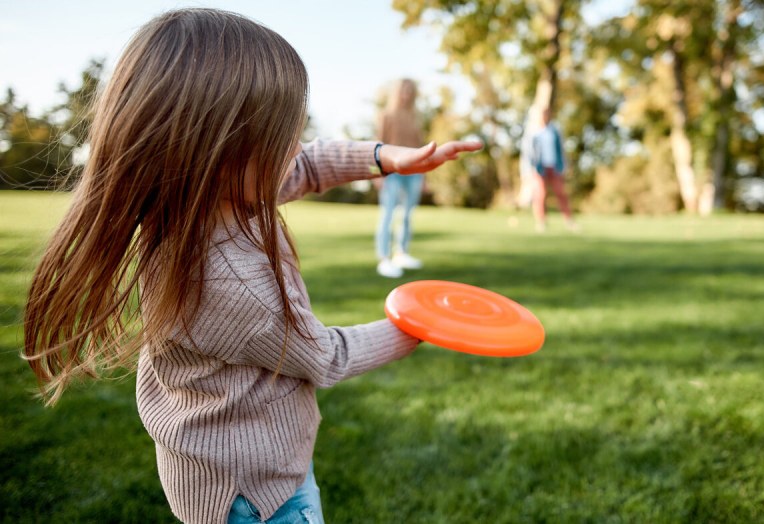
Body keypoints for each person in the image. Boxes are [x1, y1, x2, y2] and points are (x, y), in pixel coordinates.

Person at [21, 9, 481, 524]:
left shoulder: (199, 198)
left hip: (221, 474)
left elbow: (306, 164)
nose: (296, 148)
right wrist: (421, 325)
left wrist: (383, 156)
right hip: (256, 497)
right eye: (281, 137)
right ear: (218, 149)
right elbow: (326, 356)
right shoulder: (228, 281)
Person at [375, 79, 426, 278]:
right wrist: (377, 173)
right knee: (387, 214)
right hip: (391, 171)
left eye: (410, 91)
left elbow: (421, 147)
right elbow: (377, 145)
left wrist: (425, 177)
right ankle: (384, 258)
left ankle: (401, 253)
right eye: (403, 91)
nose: (406, 95)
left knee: (406, 214)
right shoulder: (386, 115)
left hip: (414, 172)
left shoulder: (416, 117)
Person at [526, 106, 578, 232]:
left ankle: (568, 220)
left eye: (547, 114)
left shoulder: (555, 131)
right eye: (543, 115)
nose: (545, 117)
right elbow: (530, 153)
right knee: (541, 195)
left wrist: (563, 166)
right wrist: (530, 168)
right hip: (540, 168)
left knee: (561, 193)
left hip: (555, 167)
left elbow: (561, 150)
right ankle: (541, 222)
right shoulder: (535, 132)